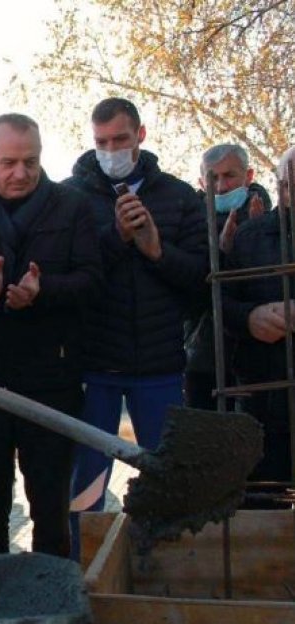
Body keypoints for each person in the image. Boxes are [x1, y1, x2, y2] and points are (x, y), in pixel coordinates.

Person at [0, 113, 102, 558]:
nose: (21, 173)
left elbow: (92, 279)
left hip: (52, 378)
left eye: (30, 161)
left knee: (50, 506)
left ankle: (51, 604)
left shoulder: (73, 207)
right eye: (9, 162)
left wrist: (42, 291)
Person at [66, 98, 207, 558]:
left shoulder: (180, 196)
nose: (111, 150)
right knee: (84, 487)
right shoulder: (71, 198)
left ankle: (169, 566)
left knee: (167, 480)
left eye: (120, 140)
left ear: (140, 136)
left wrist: (156, 250)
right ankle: (81, 570)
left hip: (160, 366)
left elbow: (204, 282)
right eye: (101, 142)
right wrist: (115, 239)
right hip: (94, 368)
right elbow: (70, 278)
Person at [222, 145, 295, 508]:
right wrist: (250, 317)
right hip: (267, 405)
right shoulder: (251, 238)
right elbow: (221, 307)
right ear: (280, 185)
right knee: (265, 514)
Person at [184, 144, 271, 410]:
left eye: (229, 175)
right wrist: (221, 254)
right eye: (213, 178)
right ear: (201, 182)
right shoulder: (189, 224)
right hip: (204, 356)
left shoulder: (271, 223)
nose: (221, 187)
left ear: (249, 175)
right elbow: (189, 288)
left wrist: (253, 242)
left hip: (260, 354)